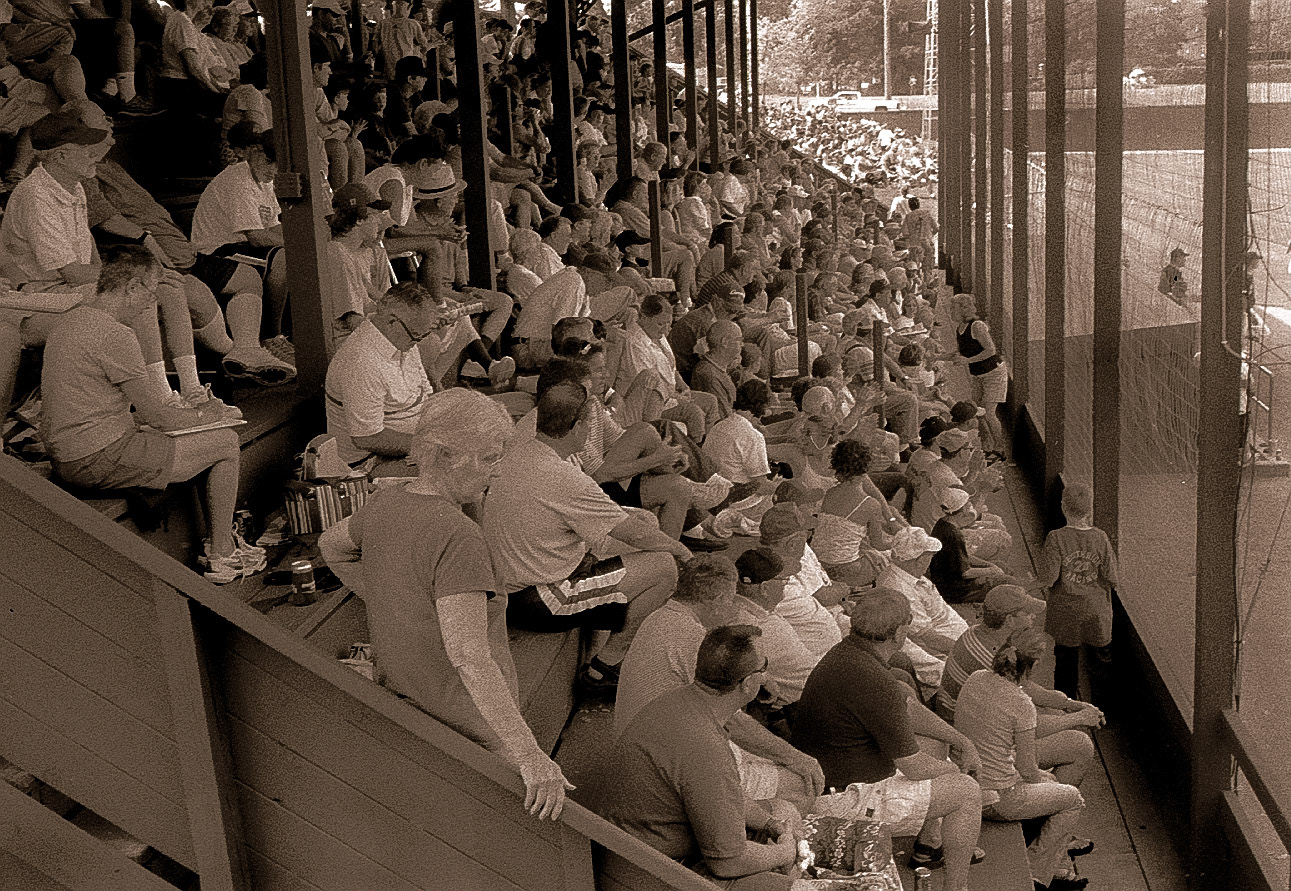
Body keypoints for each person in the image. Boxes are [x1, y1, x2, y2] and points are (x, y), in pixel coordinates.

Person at [317, 390, 573, 821]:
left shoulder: (386, 502)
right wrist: (530, 755)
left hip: (409, 699)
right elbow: (470, 657)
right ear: (449, 456)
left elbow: (332, 546)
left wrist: (396, 600)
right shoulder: (458, 537)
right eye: (490, 458)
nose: (497, 470)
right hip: (471, 723)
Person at [39, 246, 259, 583]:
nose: (153, 300)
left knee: (203, 442)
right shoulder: (115, 334)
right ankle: (223, 553)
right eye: (151, 289)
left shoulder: (73, 319)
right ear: (132, 288)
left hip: (72, 452)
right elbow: (161, 417)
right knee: (226, 443)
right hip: (95, 458)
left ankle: (221, 540)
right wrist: (208, 415)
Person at [481, 380, 689, 691]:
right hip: (539, 599)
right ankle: (604, 667)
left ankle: (595, 649)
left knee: (642, 520)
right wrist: (683, 552)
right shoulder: (563, 478)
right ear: (578, 426)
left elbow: (627, 524)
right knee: (663, 566)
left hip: (517, 582)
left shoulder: (522, 452)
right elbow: (636, 536)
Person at [793, 589, 984, 891]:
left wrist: (961, 741)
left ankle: (929, 844)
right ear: (899, 632)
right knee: (967, 791)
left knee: (936, 742)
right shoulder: (871, 677)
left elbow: (905, 704)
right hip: (845, 799)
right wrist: (955, 770)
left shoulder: (848, 653)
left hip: (834, 777)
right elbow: (915, 768)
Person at [598, 625, 812, 890]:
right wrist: (783, 853)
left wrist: (769, 823)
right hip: (652, 873)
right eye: (764, 667)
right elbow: (728, 863)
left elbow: (721, 797)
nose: (766, 674)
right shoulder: (705, 746)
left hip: (638, 852)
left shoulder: (682, 703)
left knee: (783, 812)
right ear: (747, 684)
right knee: (790, 885)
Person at [613, 556, 825, 807]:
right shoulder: (691, 639)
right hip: (655, 770)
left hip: (642, 750)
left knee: (770, 759)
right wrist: (798, 758)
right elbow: (732, 721)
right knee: (804, 784)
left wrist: (762, 677)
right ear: (718, 601)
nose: (734, 606)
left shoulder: (664, 616)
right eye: (731, 598)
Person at [954, 631, 1094, 891]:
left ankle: (1059, 864)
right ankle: (1038, 875)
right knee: (1072, 798)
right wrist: (1048, 781)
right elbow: (1027, 769)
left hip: (971, 783)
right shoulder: (1021, 704)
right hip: (999, 799)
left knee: (1053, 784)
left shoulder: (977, 679)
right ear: (1035, 664)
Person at [189, 122, 295, 374]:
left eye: (277, 165)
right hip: (213, 253)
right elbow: (258, 237)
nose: (273, 171)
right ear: (255, 153)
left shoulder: (264, 180)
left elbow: (274, 228)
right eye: (269, 162)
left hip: (239, 247)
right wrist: (295, 242)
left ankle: (277, 336)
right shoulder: (238, 180)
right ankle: (272, 336)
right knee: (283, 258)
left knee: (290, 253)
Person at [323, 281, 439, 474]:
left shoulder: (401, 339)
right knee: (459, 470)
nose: (417, 342)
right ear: (392, 321)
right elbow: (367, 438)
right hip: (370, 463)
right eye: (416, 336)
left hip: (407, 444)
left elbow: (425, 394)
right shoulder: (361, 361)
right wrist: (427, 445)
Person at [1038, 483, 1119, 705]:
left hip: (1066, 612)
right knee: (1101, 659)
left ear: (1063, 507)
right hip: (1096, 611)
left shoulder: (1056, 538)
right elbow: (1113, 577)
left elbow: (1048, 578)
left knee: (1065, 661)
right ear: (1089, 510)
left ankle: (1066, 705)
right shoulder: (1100, 537)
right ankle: (1101, 708)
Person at [928, 486, 1012, 603]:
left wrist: (990, 565)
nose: (970, 505)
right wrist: (992, 570)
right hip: (956, 591)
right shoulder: (953, 535)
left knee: (1001, 565)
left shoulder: (942, 523)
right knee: (1004, 581)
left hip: (947, 579)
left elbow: (963, 557)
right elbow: (965, 573)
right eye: (967, 504)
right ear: (962, 510)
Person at [947, 293, 1006, 459]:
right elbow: (961, 352)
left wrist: (968, 360)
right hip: (978, 374)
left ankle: (1000, 449)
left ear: (963, 309)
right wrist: (938, 357)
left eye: (954, 308)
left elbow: (991, 350)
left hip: (994, 374)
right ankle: (986, 446)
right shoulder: (960, 328)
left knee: (989, 413)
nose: (951, 311)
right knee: (975, 410)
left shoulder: (977, 326)